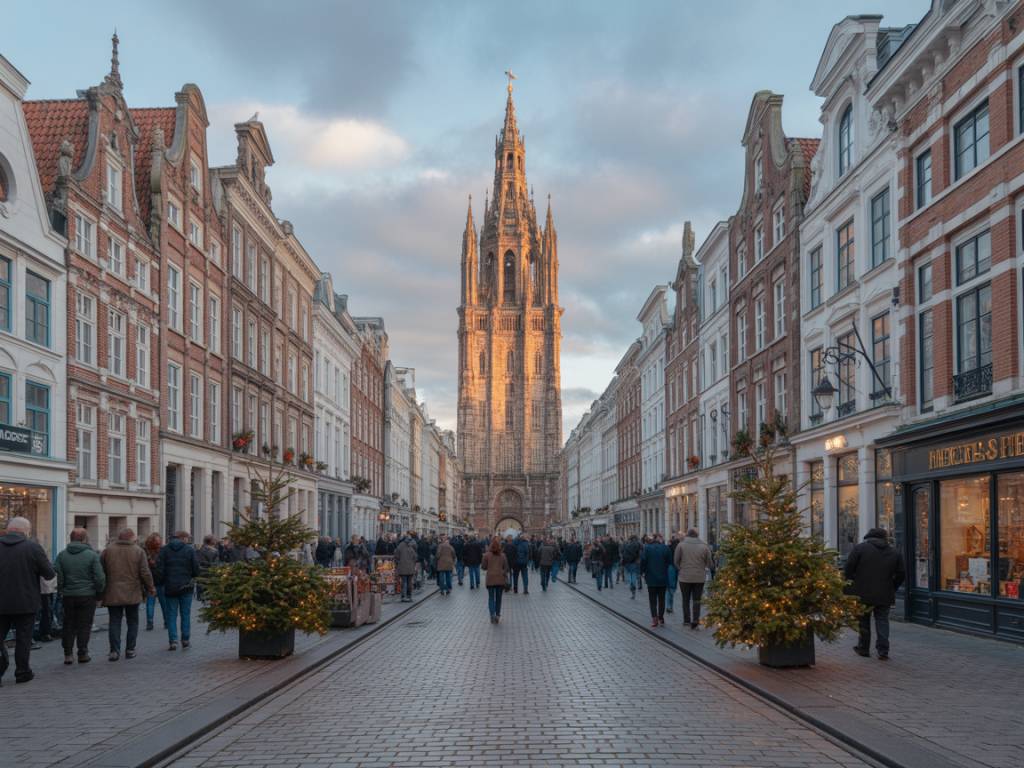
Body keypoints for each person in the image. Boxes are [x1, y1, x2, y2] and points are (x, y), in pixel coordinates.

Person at [0, 516, 55, 685]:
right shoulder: (32, 547)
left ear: (8, 529)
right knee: (24, 639)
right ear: (26, 531)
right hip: (26, 602)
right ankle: (22, 671)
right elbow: (49, 574)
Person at [845, 528, 906, 660]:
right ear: (885, 538)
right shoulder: (894, 552)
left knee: (863, 621)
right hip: (885, 593)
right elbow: (901, 574)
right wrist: (892, 586)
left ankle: (863, 648)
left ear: (869, 537)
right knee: (882, 621)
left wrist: (852, 583)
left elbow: (849, 568)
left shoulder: (860, 549)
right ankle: (883, 651)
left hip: (862, 592)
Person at [102, 529, 155, 661]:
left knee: (114, 621)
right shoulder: (138, 551)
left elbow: (101, 570)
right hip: (132, 591)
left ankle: (114, 651)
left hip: (112, 591)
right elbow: (145, 572)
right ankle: (130, 649)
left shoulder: (108, 550)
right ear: (131, 538)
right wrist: (151, 587)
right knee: (132, 621)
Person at [54, 528, 105, 665]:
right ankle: (82, 653)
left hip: (68, 595)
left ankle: (68, 654)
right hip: (87, 595)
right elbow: (99, 577)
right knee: (84, 625)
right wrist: (99, 593)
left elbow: (57, 574)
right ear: (84, 539)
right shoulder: (92, 555)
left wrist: (61, 589)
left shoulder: (62, 555)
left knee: (68, 623)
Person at [155, 531, 200, 651]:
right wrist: (193, 577)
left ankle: (173, 641)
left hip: (170, 587)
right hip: (186, 587)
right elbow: (196, 568)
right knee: (185, 614)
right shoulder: (189, 550)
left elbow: (159, 570)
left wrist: (160, 583)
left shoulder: (164, 550)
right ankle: (185, 639)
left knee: (171, 615)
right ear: (182, 538)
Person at [675, 528, 714, 629]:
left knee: (685, 599)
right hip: (699, 577)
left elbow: (676, 561)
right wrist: (704, 567)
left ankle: (686, 620)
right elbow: (710, 563)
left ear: (687, 535)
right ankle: (695, 619)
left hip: (684, 577)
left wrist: (681, 569)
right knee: (697, 599)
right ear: (697, 535)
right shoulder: (704, 546)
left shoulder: (681, 545)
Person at [641, 534, 672, 627]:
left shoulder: (647, 548)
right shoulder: (665, 548)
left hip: (651, 578)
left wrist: (642, 572)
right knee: (662, 599)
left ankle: (654, 618)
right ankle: (661, 617)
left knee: (652, 599)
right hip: (663, 578)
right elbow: (670, 562)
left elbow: (643, 561)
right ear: (660, 540)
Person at [143, 533, 168, 631]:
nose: (159, 542)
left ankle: (150, 622)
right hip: (158, 580)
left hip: (152, 580)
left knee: (151, 603)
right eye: (158, 541)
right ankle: (165, 621)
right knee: (163, 603)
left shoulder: (146, 551)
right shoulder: (163, 551)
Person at [482, 537, 509, 624]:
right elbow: (506, 568)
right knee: (498, 598)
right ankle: (497, 615)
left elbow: (483, 567)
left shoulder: (486, 555)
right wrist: (502, 572)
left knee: (491, 598)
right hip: (500, 579)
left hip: (490, 579)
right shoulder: (503, 555)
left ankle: (492, 615)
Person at [394, 533, 418, 602]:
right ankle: (409, 596)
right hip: (410, 568)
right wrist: (413, 563)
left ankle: (403, 596)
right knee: (409, 582)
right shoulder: (411, 547)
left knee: (404, 582)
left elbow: (396, 556)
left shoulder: (400, 546)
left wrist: (398, 563)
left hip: (402, 567)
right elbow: (415, 557)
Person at [196, 535, 220, 602]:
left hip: (202, 571)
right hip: (210, 571)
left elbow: (199, 561)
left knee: (201, 583)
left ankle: (201, 596)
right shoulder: (215, 551)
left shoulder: (200, 550)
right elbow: (216, 563)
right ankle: (207, 596)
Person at [621, 534, 641, 599]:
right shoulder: (638, 545)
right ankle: (634, 585)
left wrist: (623, 562)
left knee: (629, 574)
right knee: (634, 574)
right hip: (635, 562)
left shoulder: (627, 545)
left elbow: (624, 554)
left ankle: (631, 585)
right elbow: (640, 553)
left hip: (628, 562)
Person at [666, 533, 680, 613]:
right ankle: (670, 605)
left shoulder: (668, 548)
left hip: (670, 567)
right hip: (677, 567)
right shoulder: (679, 548)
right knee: (673, 587)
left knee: (669, 587)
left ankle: (669, 605)